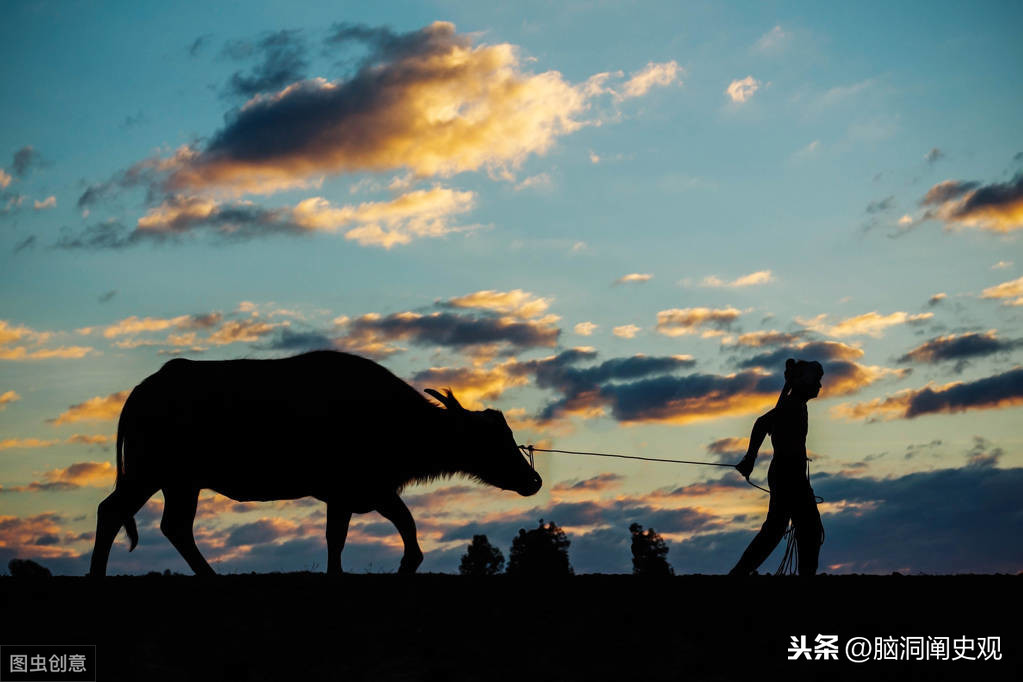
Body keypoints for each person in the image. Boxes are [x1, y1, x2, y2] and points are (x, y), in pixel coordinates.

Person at [729, 358, 824, 576]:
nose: (819, 386)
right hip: (788, 474)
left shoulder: (793, 404)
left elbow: (767, 422)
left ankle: (739, 573)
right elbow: (763, 423)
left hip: (787, 473)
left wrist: (750, 459)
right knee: (806, 528)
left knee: (779, 528)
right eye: (816, 380)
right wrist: (750, 458)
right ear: (804, 382)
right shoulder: (793, 406)